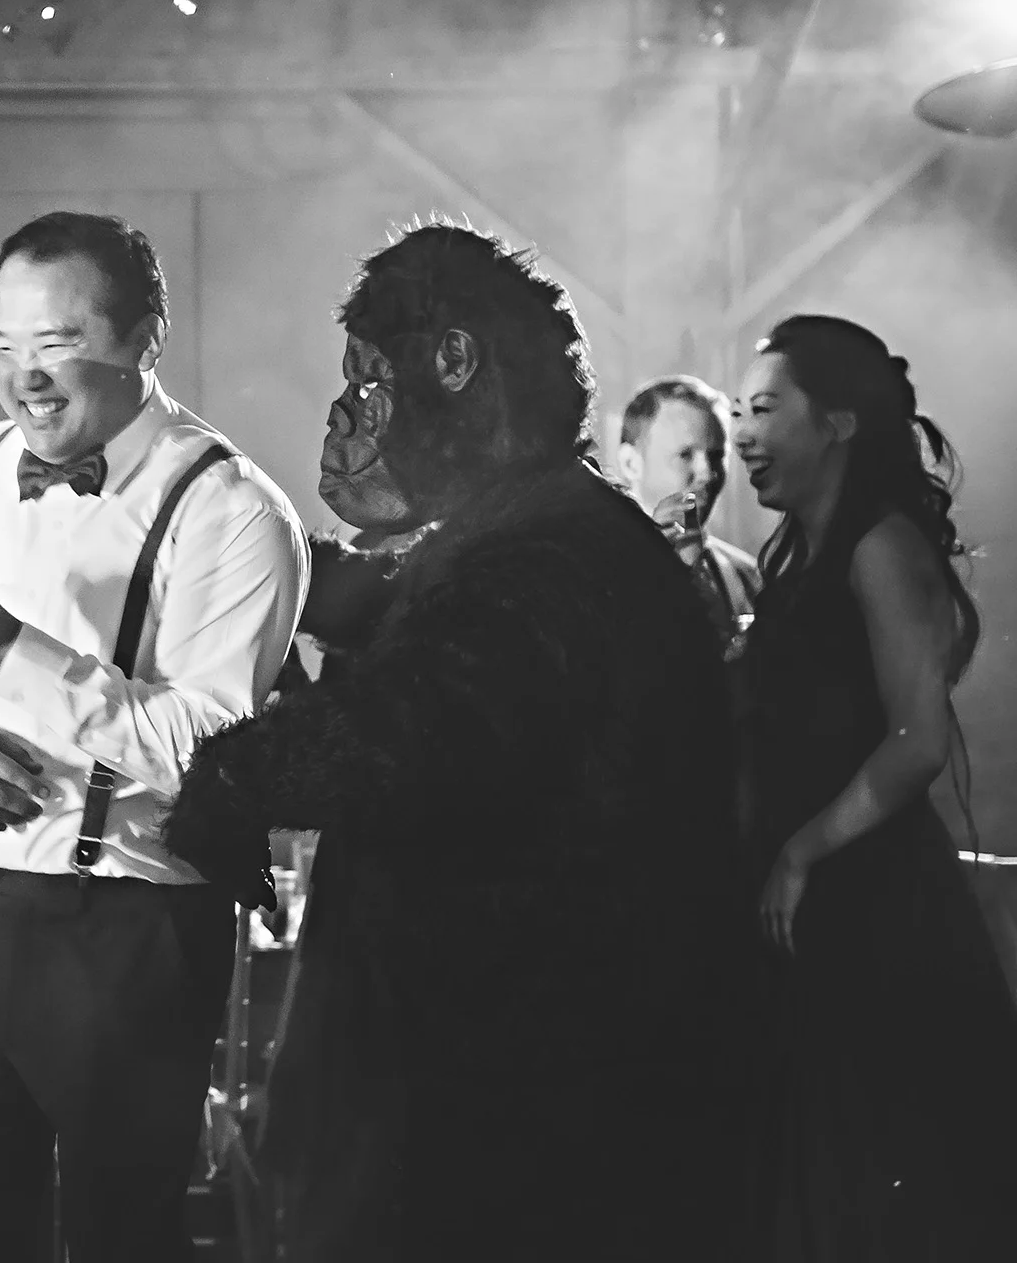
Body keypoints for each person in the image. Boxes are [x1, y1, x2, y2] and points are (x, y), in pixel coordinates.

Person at [163, 221, 749, 1260]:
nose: (354, 411)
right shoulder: (551, 526)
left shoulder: (555, 552)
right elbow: (427, 617)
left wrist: (226, 776)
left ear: (455, 362)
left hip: (525, 1103)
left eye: (371, 379)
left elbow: (412, 729)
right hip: (523, 1083)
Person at [0, 211, 308, 1263]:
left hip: (132, 928)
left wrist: (7, 645)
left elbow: (206, 746)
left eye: (57, 343)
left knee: (123, 1236)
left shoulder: (232, 509)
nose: (26, 377)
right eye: (4, 345)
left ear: (146, 339)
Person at [732, 315, 1017, 1258]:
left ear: (839, 422)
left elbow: (918, 740)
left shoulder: (881, 547)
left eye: (764, 409)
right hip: (818, 911)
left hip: (875, 908)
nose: (742, 435)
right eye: (738, 414)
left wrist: (802, 851)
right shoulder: (799, 563)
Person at [614, 374, 761, 645]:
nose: (708, 473)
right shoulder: (594, 574)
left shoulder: (750, 580)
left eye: (717, 456)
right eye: (685, 455)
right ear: (631, 463)